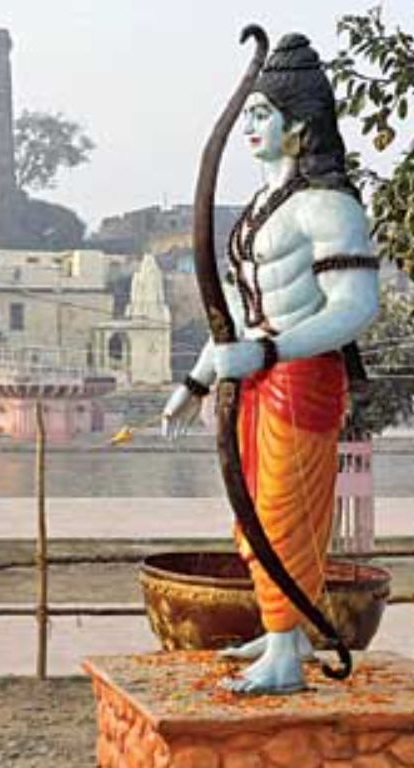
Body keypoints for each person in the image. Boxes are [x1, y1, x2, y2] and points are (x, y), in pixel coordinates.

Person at [163, 32, 379, 694]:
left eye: (263, 114)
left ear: (299, 127)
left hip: (301, 376)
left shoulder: (329, 206)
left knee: (286, 510)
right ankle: (278, 628)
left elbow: (356, 305)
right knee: (250, 512)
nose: (251, 126)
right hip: (252, 378)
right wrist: (198, 378)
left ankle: (287, 647)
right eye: (247, 114)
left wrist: (267, 351)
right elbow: (233, 309)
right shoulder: (257, 214)